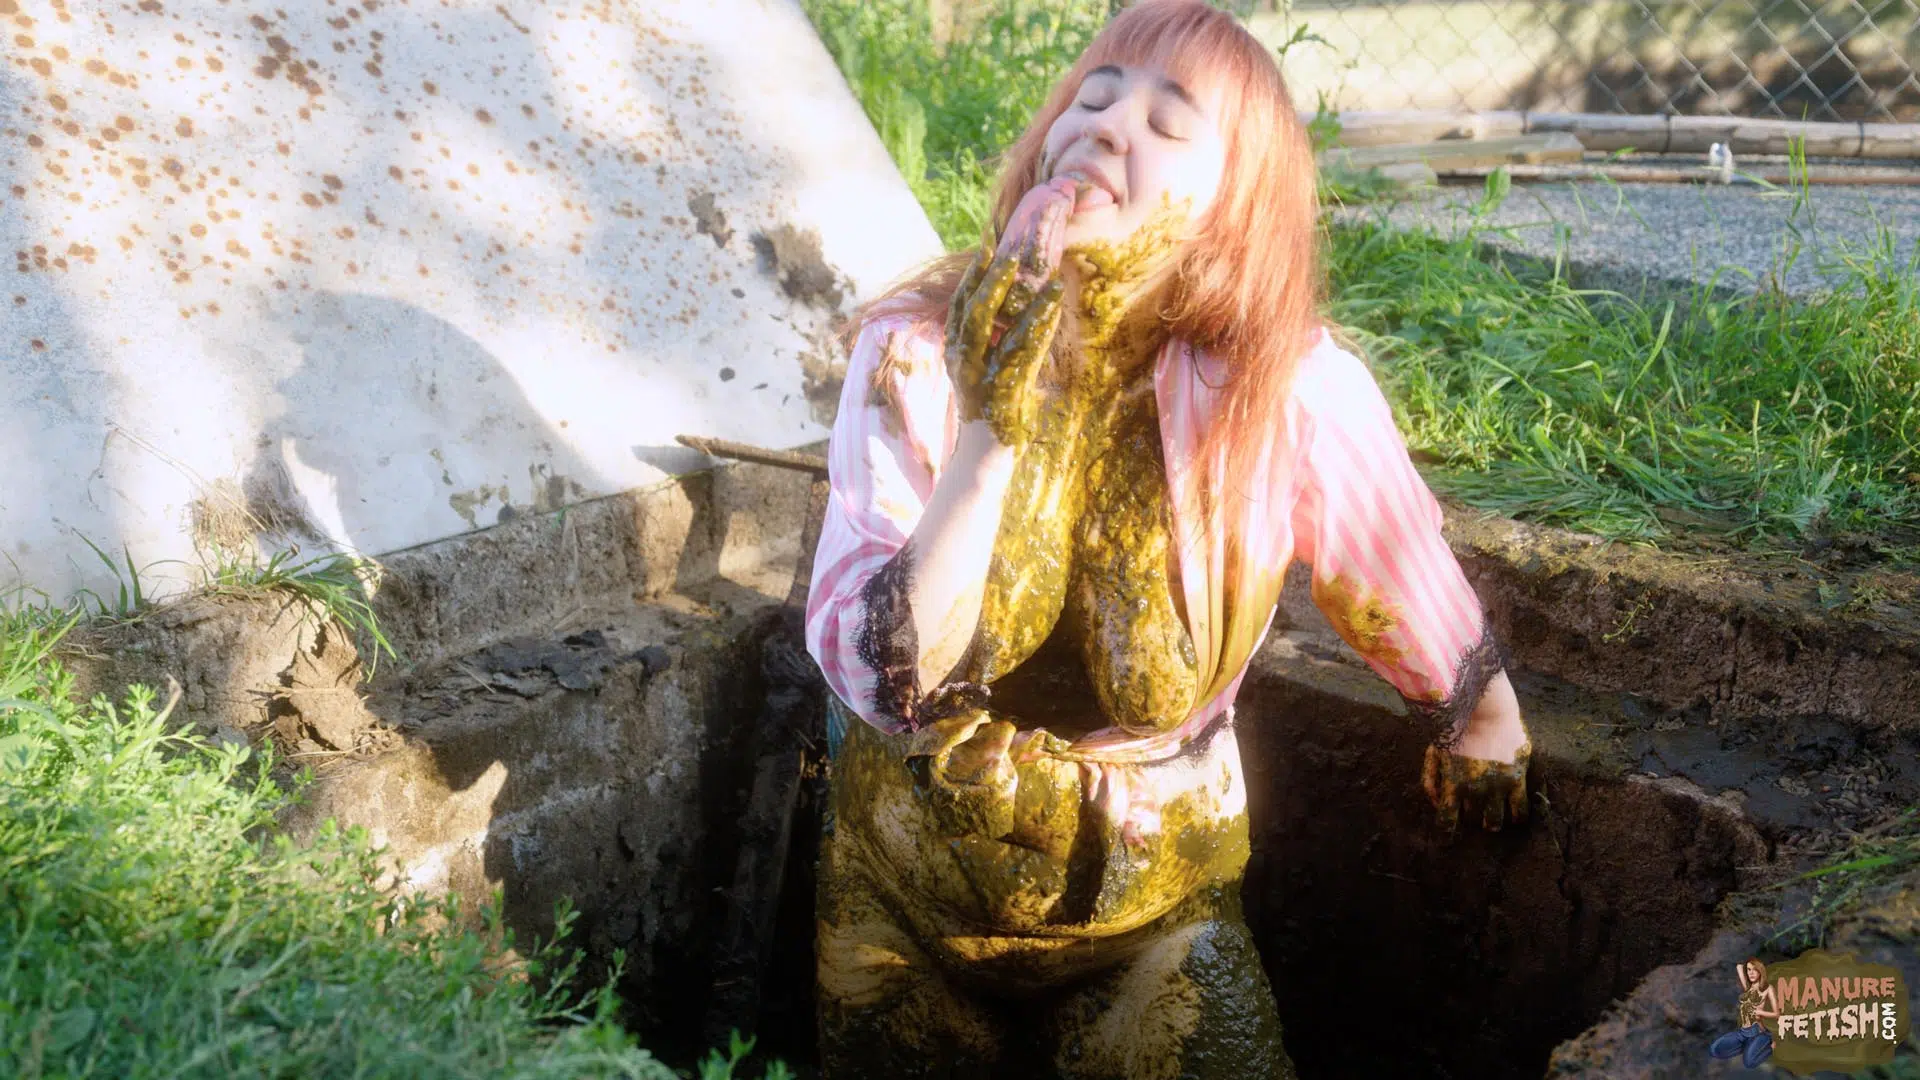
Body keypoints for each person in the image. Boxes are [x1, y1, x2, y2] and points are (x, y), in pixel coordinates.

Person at [802, 2, 1531, 1076]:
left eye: (1168, 121)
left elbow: (1383, 551)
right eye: (1090, 100)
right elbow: (872, 672)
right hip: (900, 899)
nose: (1105, 125)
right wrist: (992, 427)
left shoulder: (1285, 393)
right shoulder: (916, 349)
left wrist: (1482, 716)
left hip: (1152, 915)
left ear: (1236, 207)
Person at [1708, 958, 1778, 1068]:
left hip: (1758, 1032)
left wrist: (1759, 1012)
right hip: (1743, 1032)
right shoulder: (1748, 988)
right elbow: (1739, 967)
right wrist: (1746, 966)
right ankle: (1746, 1048)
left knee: (1749, 1064)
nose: (1751, 973)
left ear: (1760, 971)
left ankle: (1770, 1048)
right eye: (1749, 970)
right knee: (1714, 1050)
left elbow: (1776, 1014)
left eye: (1754, 970)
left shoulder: (1767, 989)